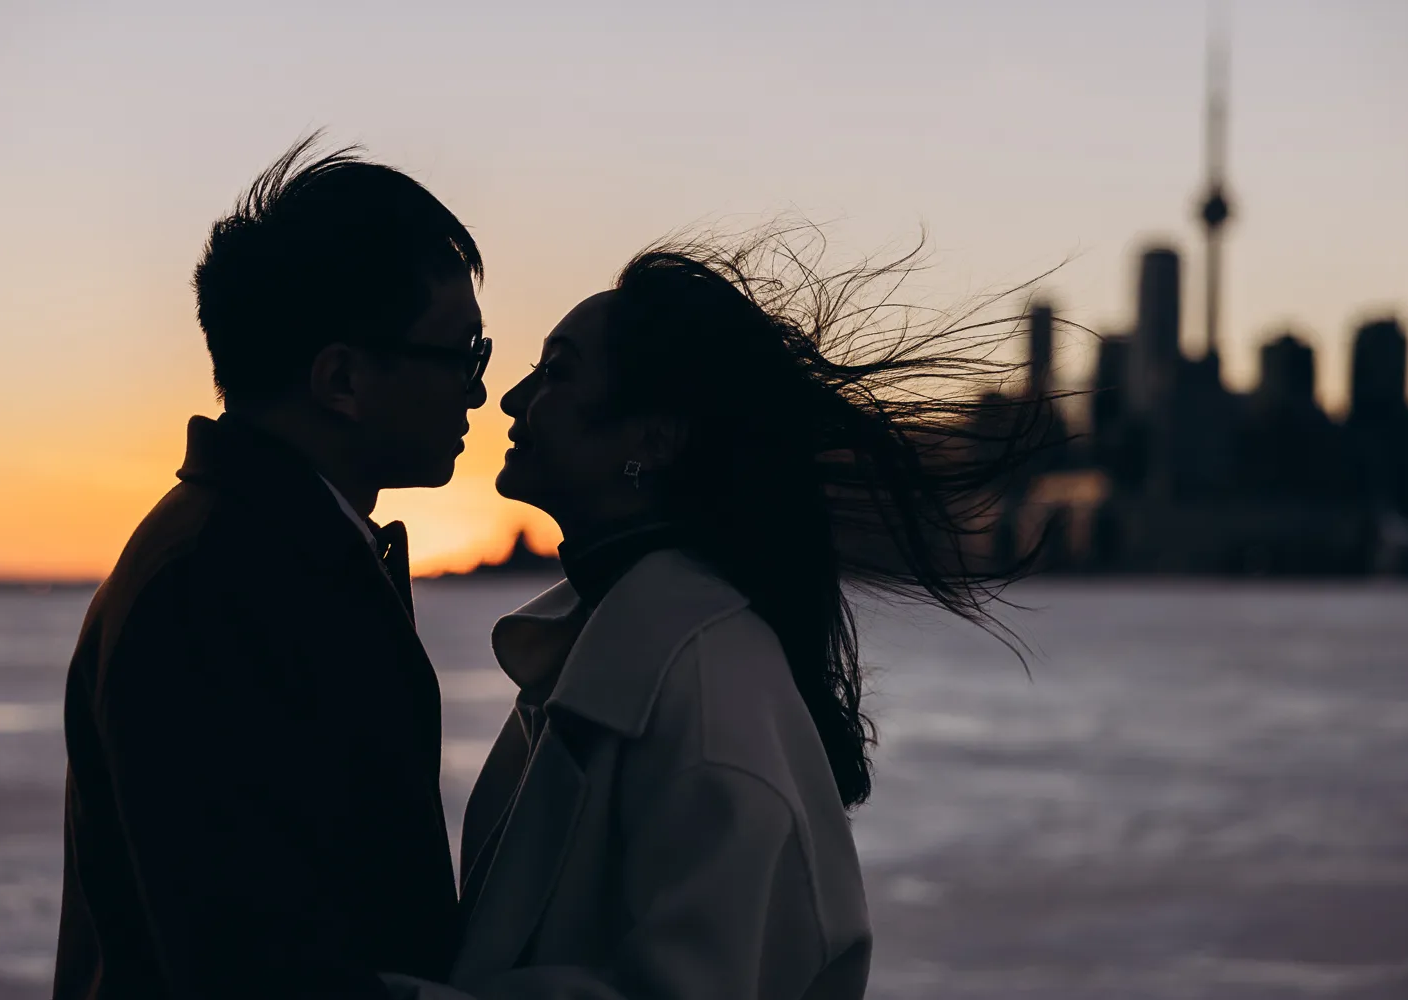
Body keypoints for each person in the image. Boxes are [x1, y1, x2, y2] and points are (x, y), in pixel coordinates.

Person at [385, 231, 1047, 1000]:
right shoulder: (608, 656)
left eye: (557, 372)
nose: (513, 397)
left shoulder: (704, 700)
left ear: (655, 439)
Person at [52, 135, 490, 1000]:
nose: (479, 391)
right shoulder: (214, 586)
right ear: (342, 379)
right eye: (461, 355)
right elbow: (244, 965)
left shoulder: (272, 554)